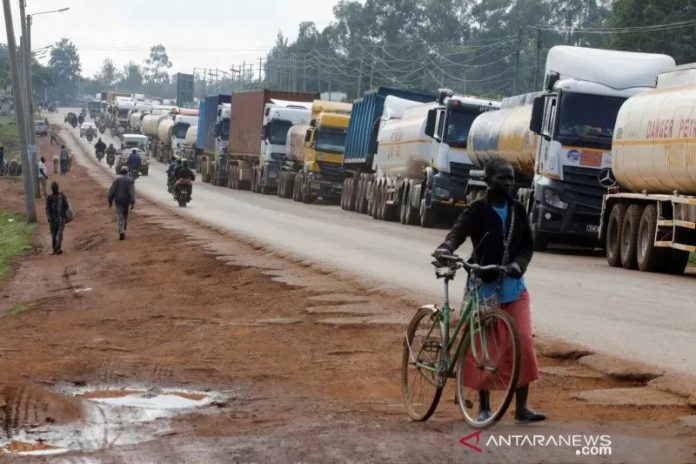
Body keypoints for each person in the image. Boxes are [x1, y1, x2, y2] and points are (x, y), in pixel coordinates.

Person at [432, 158, 545, 424]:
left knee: (523, 342)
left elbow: (528, 246)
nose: (509, 183)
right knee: (486, 348)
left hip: (514, 288)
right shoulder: (476, 210)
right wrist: (446, 248)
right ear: (488, 181)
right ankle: (483, 407)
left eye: (511, 179)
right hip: (483, 288)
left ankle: (521, 408)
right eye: (502, 178)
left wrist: (519, 264)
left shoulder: (518, 209)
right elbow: (457, 234)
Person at [108, 166, 135, 240]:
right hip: (126, 201)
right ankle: (124, 230)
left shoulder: (117, 180)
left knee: (120, 216)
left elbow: (112, 191)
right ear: (127, 172)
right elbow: (132, 192)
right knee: (125, 216)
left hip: (118, 201)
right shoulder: (130, 180)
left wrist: (110, 201)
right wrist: (132, 202)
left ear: (121, 172)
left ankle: (121, 230)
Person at [45, 181, 69, 255]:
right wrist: (49, 217)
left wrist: (64, 215)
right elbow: (47, 209)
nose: (55, 189)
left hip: (60, 219)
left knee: (60, 234)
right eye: (54, 188)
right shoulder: (49, 197)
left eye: (56, 188)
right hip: (53, 220)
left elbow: (67, 206)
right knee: (54, 235)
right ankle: (55, 250)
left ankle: (58, 248)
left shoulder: (62, 196)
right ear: (52, 189)